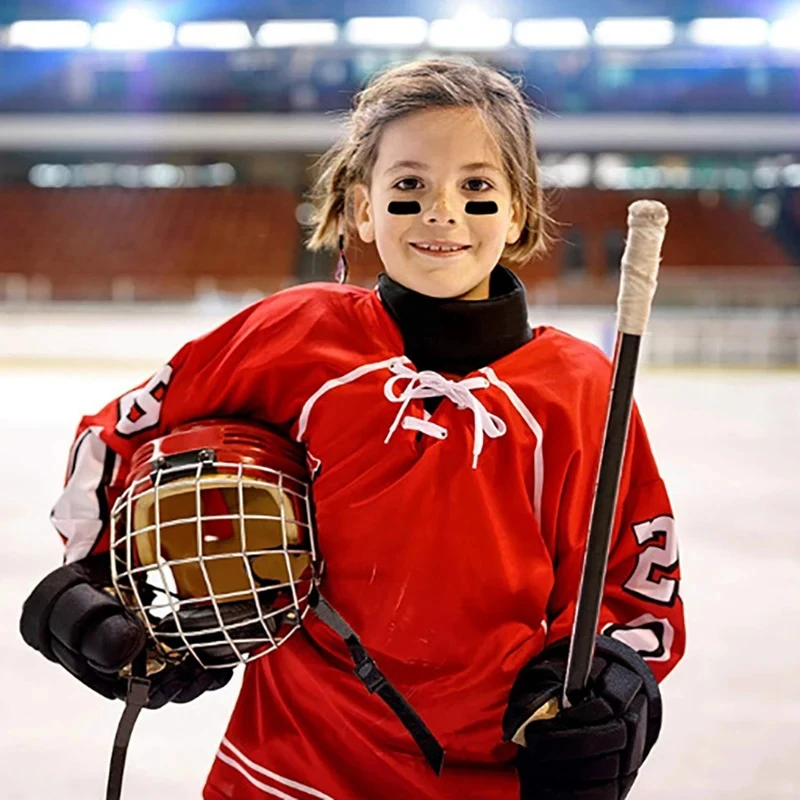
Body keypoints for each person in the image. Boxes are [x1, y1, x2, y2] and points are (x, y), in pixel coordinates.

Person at [20, 57, 684, 799]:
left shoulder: (581, 389)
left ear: (520, 211)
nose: (442, 211)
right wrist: (94, 578)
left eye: (477, 188)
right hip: (285, 769)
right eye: (408, 187)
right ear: (362, 209)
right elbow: (117, 439)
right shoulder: (296, 336)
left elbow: (637, 581)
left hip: (488, 780)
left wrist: (617, 683)